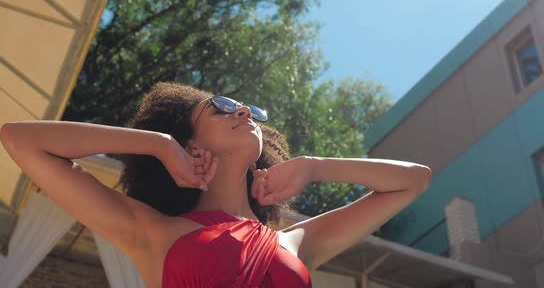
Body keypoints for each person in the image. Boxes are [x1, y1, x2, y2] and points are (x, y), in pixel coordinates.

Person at [0, 82, 431, 288]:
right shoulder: (152, 231)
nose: (243, 112)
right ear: (189, 140)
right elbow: (20, 140)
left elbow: (413, 181)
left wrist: (315, 167)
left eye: (249, 110)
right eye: (221, 108)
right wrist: (159, 145)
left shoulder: (296, 242)